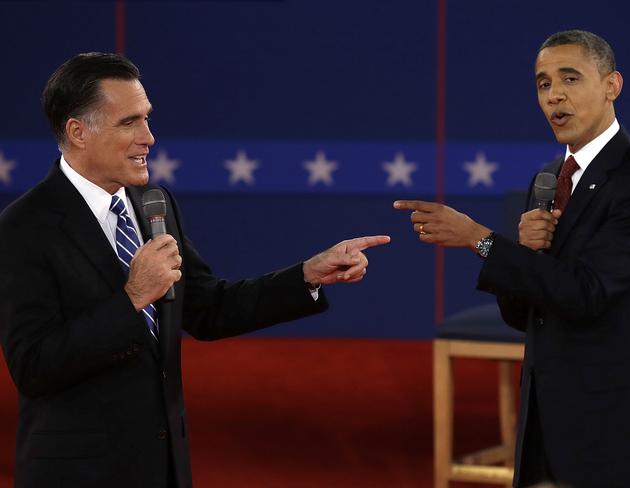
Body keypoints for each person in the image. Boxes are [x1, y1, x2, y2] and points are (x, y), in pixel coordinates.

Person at [0, 52, 390, 488]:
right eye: (129, 123)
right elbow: (34, 367)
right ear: (78, 132)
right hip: (78, 472)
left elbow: (207, 308)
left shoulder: (153, 204)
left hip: (164, 467)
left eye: (147, 119)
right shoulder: (23, 228)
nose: (148, 137)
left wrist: (307, 275)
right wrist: (131, 299)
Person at [394, 30, 630, 488]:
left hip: (613, 421)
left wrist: (482, 240)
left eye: (570, 78)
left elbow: (585, 296)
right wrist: (525, 252)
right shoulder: (548, 179)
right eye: (543, 83)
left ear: (612, 86)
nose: (555, 95)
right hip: (543, 417)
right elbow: (524, 315)